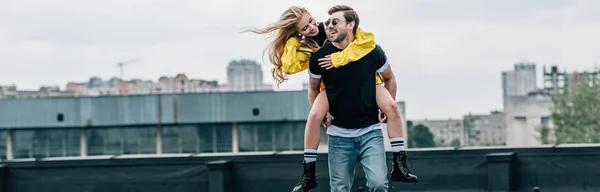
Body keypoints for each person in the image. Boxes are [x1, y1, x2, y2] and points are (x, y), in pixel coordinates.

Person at [246, 6, 417, 192]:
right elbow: (290, 67)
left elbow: (368, 42)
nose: (313, 27)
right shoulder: (309, 47)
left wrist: (339, 58)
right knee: (314, 117)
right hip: (332, 92)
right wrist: (293, 40)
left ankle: (400, 163)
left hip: (367, 85)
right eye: (305, 28)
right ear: (298, 32)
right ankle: (308, 172)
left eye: (312, 21)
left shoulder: (338, 32)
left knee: (391, 107)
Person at [307, 5, 417, 191]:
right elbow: (313, 88)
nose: (330, 26)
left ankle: (400, 164)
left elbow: (389, 78)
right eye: (328, 22)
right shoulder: (320, 57)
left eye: (335, 21)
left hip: (370, 133)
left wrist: (384, 107)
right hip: (338, 136)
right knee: (339, 188)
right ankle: (306, 173)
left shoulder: (372, 52)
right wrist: (323, 114)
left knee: (379, 184)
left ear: (351, 24)